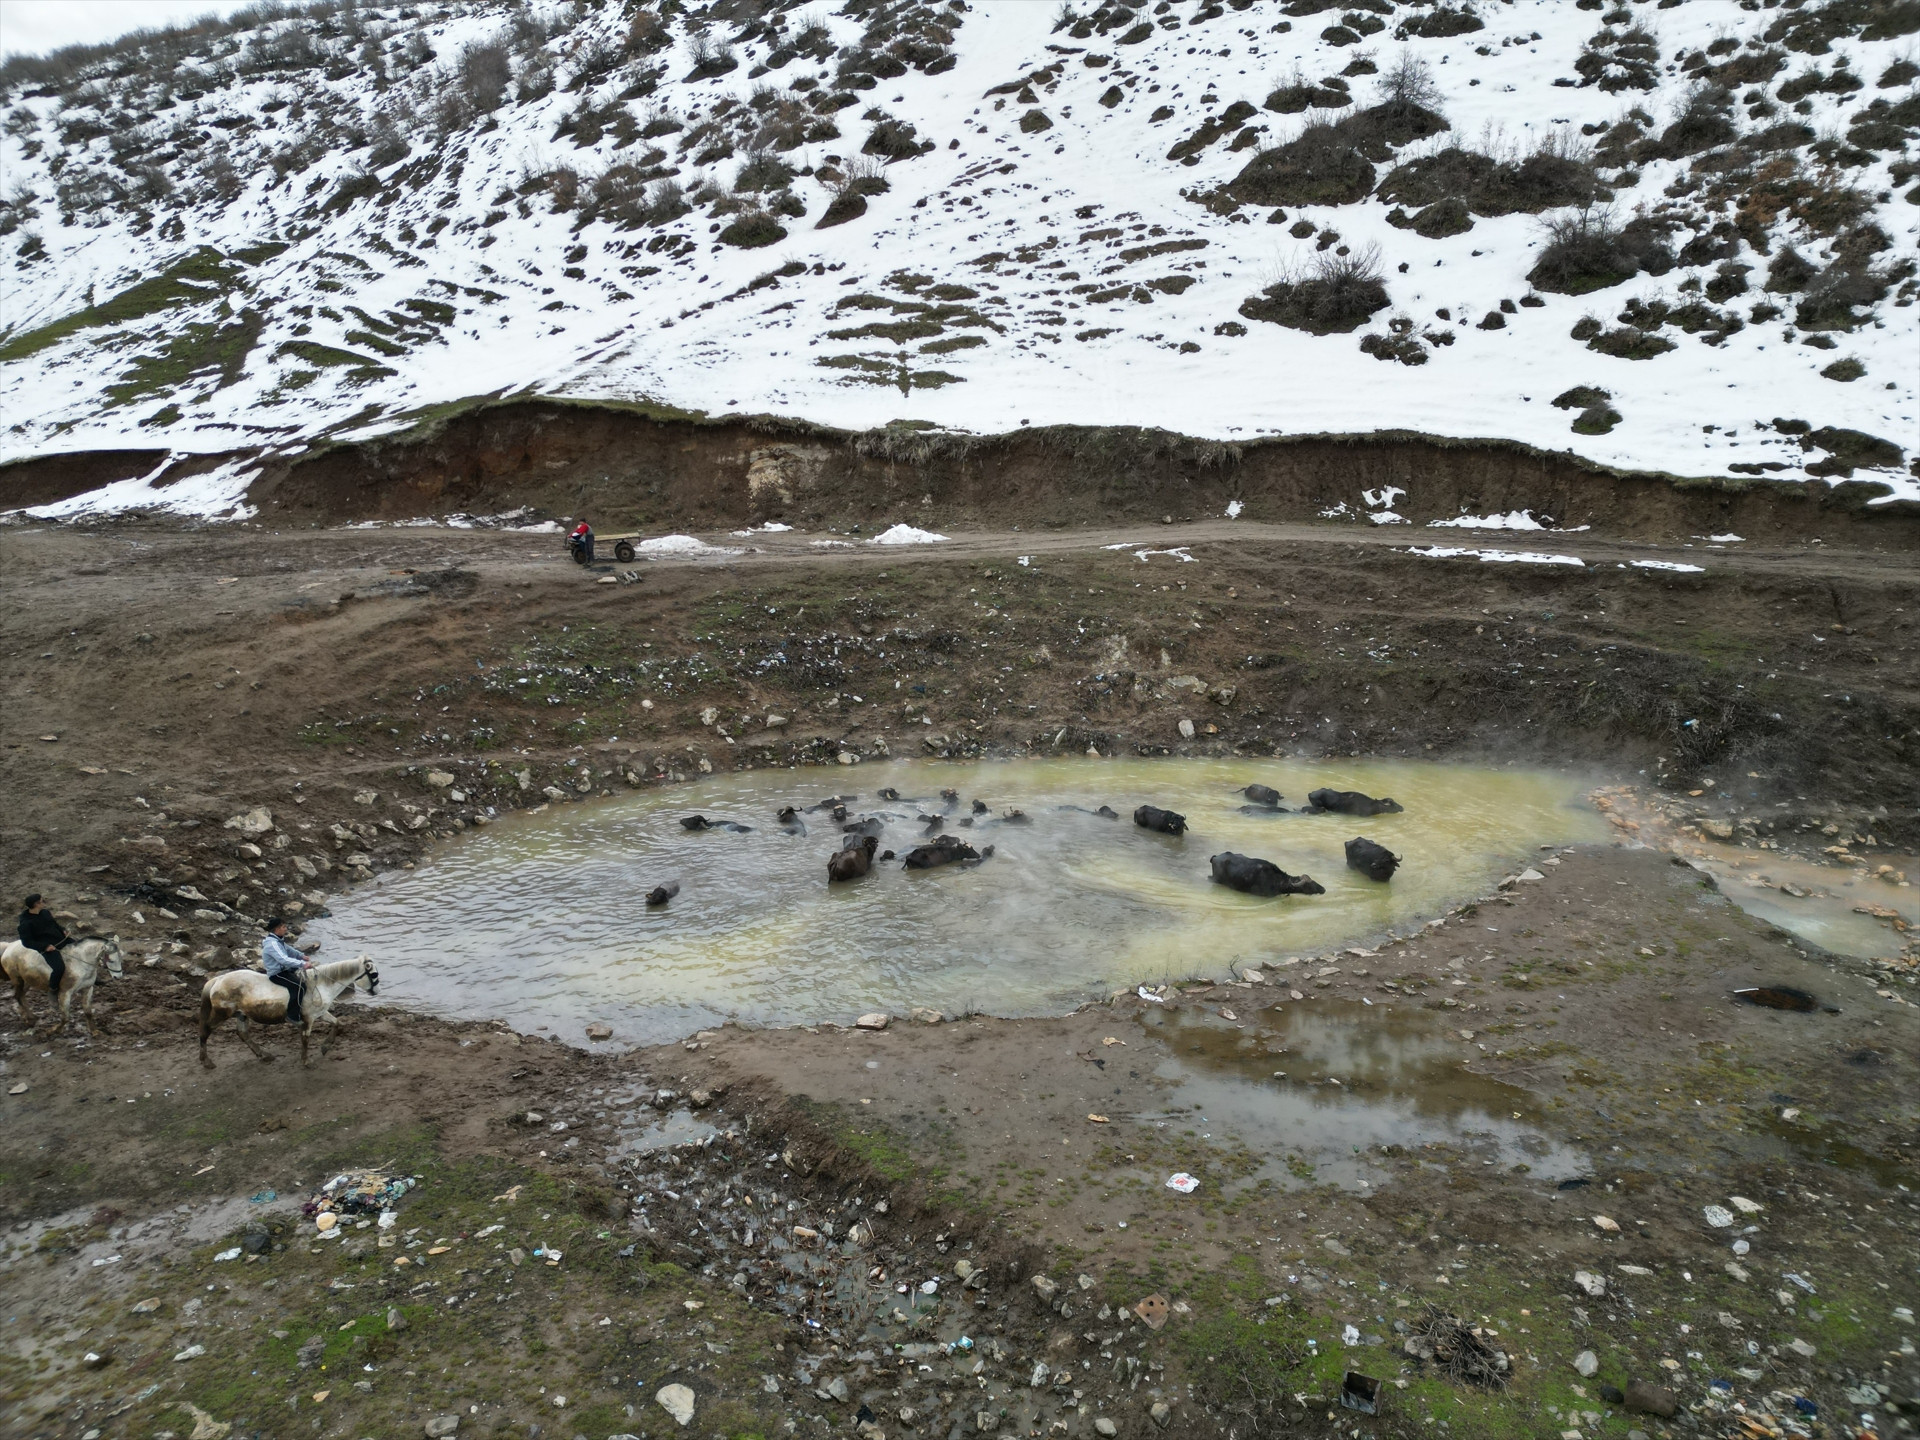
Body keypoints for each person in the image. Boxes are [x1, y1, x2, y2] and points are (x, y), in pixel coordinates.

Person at [261, 918, 312, 1025]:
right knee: (300, 986)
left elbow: (289, 949)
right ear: (277, 929)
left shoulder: (278, 940)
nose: (286, 929)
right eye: (283, 927)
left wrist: (301, 956)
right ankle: (292, 1016)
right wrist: (302, 964)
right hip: (277, 974)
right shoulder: (273, 944)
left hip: (284, 970)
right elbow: (283, 959)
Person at [17, 894, 68, 1000]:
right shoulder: (25, 924)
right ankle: (53, 990)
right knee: (59, 968)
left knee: (82, 948)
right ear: (36, 904)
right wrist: (45, 947)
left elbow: (54, 924)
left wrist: (63, 930)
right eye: (42, 901)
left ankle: (93, 979)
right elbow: (27, 942)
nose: (44, 902)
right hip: (47, 947)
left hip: (60, 940)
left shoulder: (45, 912)